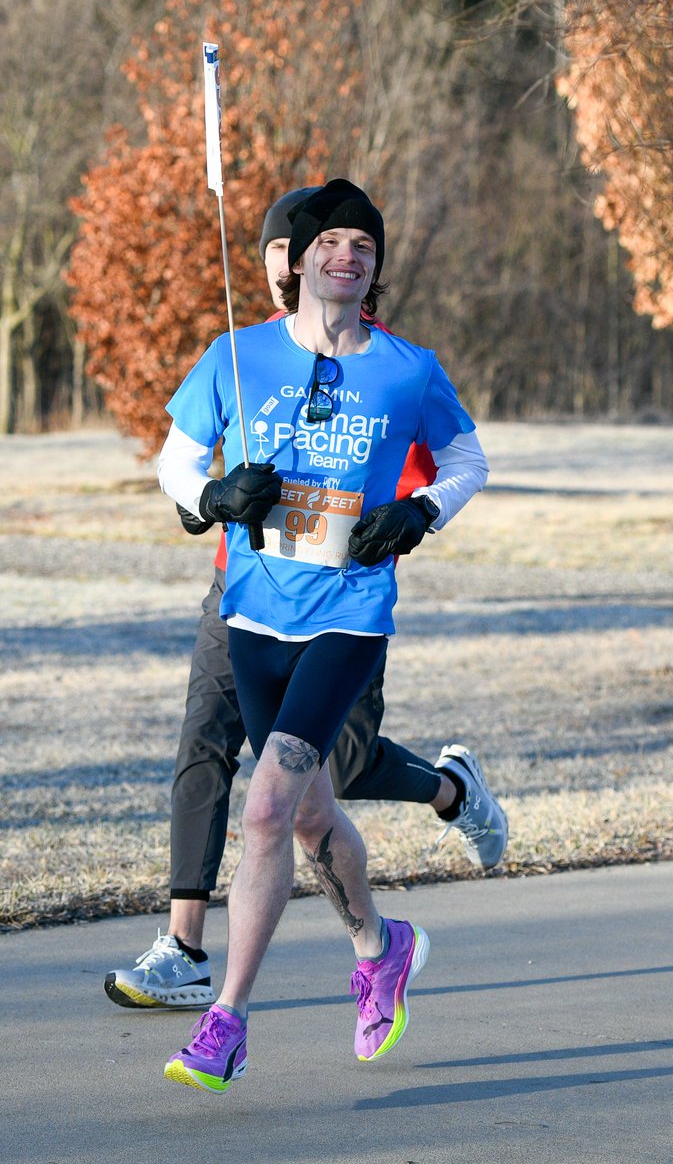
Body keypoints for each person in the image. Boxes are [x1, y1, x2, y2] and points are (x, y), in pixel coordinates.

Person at [104, 188, 506, 1014]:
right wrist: (215, 497)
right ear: (294, 260)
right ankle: (203, 946)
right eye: (322, 242)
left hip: (350, 606)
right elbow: (181, 468)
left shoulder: (402, 368)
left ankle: (450, 793)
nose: (339, 257)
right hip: (245, 600)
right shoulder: (241, 355)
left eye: (361, 244)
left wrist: (415, 513)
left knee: (321, 779)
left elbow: (462, 462)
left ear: (374, 266)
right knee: (232, 766)